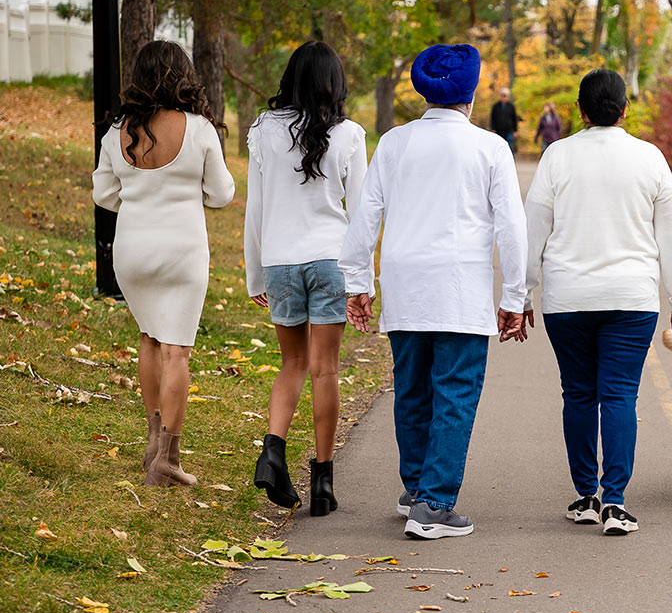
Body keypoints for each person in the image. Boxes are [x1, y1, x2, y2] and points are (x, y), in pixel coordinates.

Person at [339, 43, 527, 540]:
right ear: (470, 92)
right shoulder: (489, 148)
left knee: (413, 388)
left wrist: (357, 282)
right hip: (459, 283)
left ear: (422, 89)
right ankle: (436, 504)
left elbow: (366, 215)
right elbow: (511, 226)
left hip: (405, 282)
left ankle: (416, 487)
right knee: (456, 391)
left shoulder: (395, 143)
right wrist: (514, 295)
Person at [524, 69, 672, 536]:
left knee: (578, 393)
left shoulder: (557, 157)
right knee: (619, 394)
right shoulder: (650, 158)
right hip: (631, 298)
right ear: (624, 110)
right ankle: (615, 503)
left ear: (580, 111)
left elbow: (534, 230)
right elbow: (671, 239)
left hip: (568, 299)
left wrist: (521, 293)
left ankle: (585, 496)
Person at [91, 40, 235, 487]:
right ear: (184, 76)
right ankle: (168, 461)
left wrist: (138, 195)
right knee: (178, 350)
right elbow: (223, 193)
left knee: (150, 340)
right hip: (182, 251)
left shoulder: (118, 131)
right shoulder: (199, 129)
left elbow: (103, 194)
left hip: (132, 252)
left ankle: (153, 442)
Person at [244, 40, 368, 516]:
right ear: (334, 83)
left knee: (292, 364)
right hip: (330, 259)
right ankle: (322, 483)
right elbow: (359, 213)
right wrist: (363, 282)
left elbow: (256, 207)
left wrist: (255, 271)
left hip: (279, 261)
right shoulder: (350, 134)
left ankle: (272, 450)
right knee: (326, 370)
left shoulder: (262, 129)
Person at [490, 86, 520, 154]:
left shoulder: (511, 106)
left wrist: (515, 130)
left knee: (509, 146)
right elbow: (492, 118)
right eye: (502, 95)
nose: (503, 97)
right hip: (498, 130)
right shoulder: (495, 106)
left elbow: (514, 119)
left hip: (509, 130)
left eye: (505, 95)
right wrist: (493, 128)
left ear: (507, 96)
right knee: (499, 146)